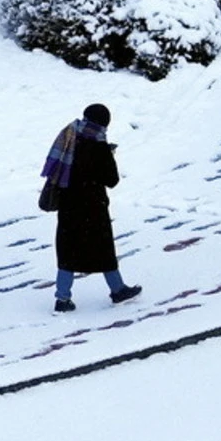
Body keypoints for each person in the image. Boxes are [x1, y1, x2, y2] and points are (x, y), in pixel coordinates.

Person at [39, 103, 142, 313]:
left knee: (67, 252)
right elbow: (112, 180)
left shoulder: (69, 136)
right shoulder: (99, 147)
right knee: (104, 251)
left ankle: (62, 298)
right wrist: (110, 155)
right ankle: (118, 290)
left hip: (69, 206)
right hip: (93, 208)